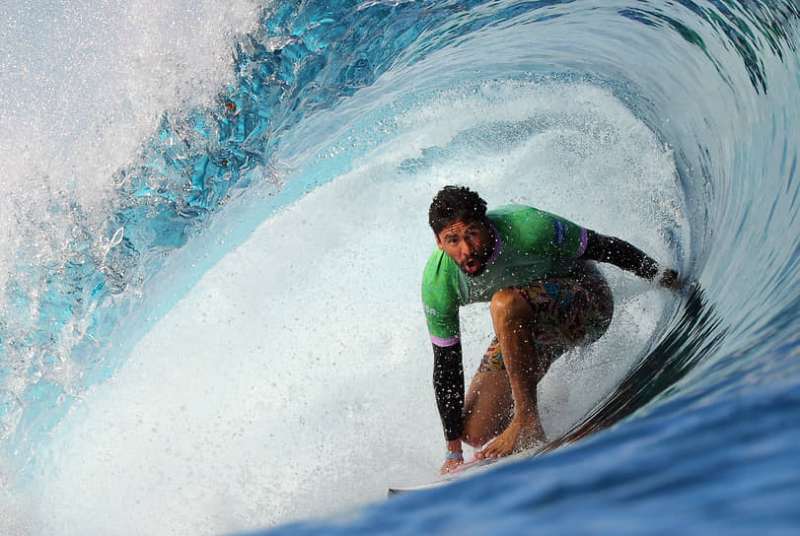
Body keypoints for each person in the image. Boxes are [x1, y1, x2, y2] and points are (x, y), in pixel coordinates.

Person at [422, 185, 681, 474]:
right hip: (532, 331)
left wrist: (666, 279)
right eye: (453, 240)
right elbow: (446, 368)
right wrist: (453, 453)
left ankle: (527, 422)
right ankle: (550, 409)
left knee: (504, 304)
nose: (466, 249)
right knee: (474, 430)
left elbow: (606, 247)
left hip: (588, 303)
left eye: (472, 233)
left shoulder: (528, 227)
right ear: (439, 242)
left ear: (486, 223)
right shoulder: (438, 283)